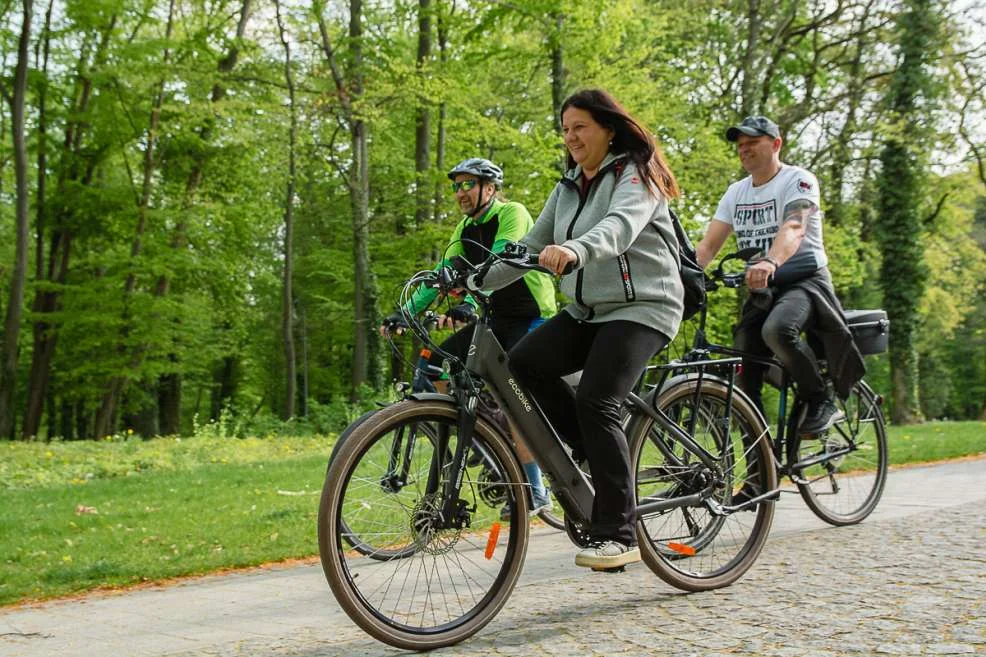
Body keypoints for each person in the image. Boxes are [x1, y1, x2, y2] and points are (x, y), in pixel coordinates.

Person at [477, 89, 684, 570]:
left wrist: (574, 251)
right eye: (566, 129)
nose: (571, 137)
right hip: (590, 311)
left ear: (607, 129)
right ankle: (593, 455)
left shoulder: (636, 174)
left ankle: (619, 531)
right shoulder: (568, 186)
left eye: (580, 127)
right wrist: (474, 280)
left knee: (597, 399)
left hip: (644, 307)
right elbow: (528, 245)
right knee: (523, 365)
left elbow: (620, 227)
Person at [381, 157, 557, 515]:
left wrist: (463, 284)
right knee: (433, 367)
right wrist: (406, 312)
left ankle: (536, 490)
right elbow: (443, 271)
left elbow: (502, 259)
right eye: (456, 186)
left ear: (489, 188)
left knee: (516, 400)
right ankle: (479, 441)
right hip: (494, 319)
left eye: (468, 185)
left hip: (530, 316)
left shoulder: (512, 213)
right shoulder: (464, 227)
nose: (460, 193)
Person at [695, 115, 864, 435]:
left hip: (804, 280)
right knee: (744, 369)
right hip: (764, 287)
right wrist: (682, 276)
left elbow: (795, 226)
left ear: (775, 144)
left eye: (752, 142)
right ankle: (761, 469)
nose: (744, 149)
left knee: (777, 330)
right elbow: (708, 245)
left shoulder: (798, 180)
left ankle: (820, 399)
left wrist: (770, 262)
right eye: (739, 144)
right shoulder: (736, 192)